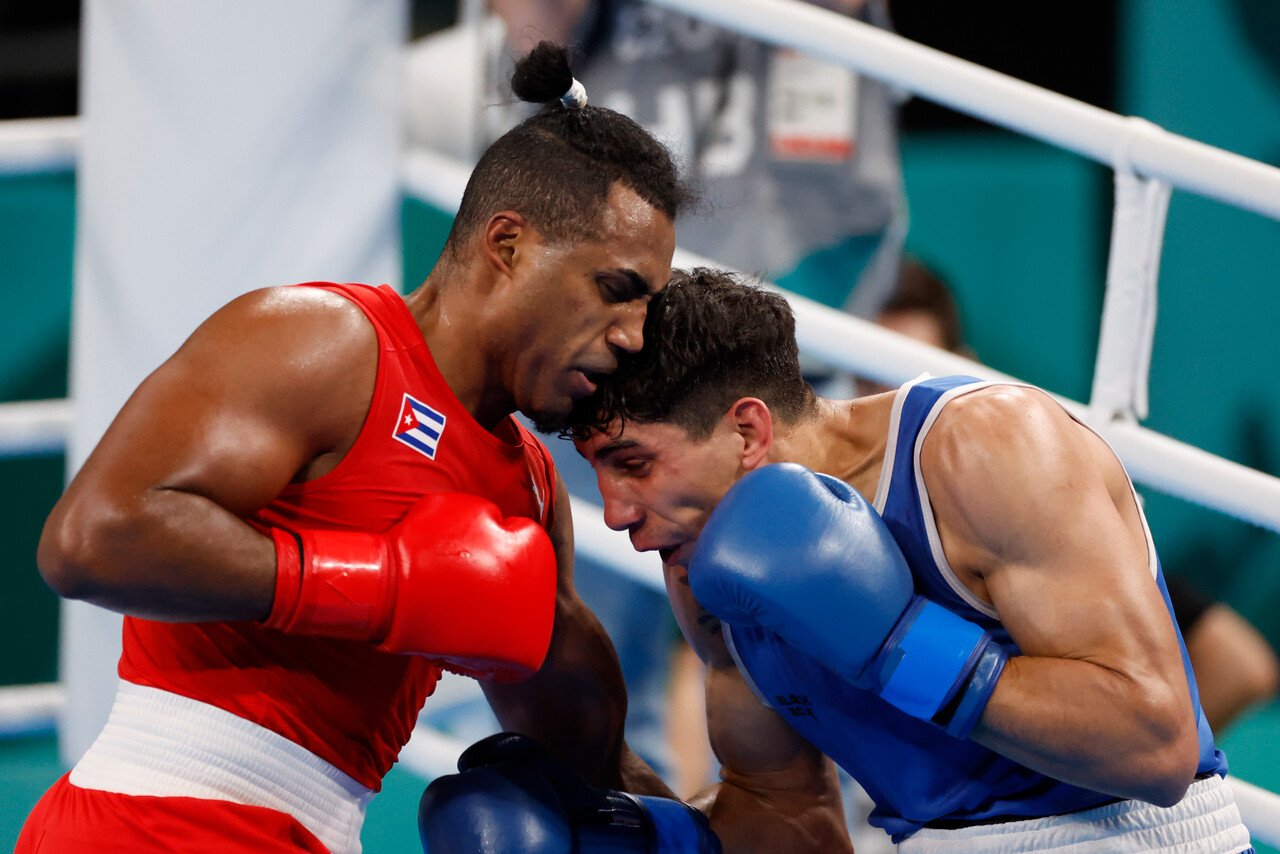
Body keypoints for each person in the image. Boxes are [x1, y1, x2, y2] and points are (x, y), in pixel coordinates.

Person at [16, 44, 707, 854]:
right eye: (616, 290)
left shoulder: (528, 488)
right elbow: (88, 538)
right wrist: (382, 585)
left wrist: (695, 833)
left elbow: (582, 742)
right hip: (152, 821)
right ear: (509, 246)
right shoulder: (324, 344)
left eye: (646, 308)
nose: (631, 335)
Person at [550, 268, 1247, 850]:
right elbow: (786, 807)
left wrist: (903, 648)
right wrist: (643, 834)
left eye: (634, 463)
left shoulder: (981, 448)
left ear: (748, 429)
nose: (615, 512)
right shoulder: (703, 568)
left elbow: (1158, 750)